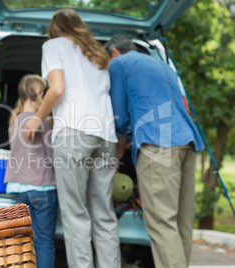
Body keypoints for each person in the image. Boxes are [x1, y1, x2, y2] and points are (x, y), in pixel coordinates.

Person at [24, 8, 121, 268]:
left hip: (74, 133)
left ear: (54, 28)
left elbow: (57, 89)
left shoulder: (54, 45)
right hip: (105, 136)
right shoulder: (98, 54)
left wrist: (38, 117)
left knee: (76, 213)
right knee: (104, 213)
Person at [104, 35, 204, 268]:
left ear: (114, 52)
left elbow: (119, 116)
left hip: (158, 145)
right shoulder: (161, 64)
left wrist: (118, 153)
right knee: (181, 224)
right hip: (187, 141)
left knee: (161, 223)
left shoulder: (118, 64)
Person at [4, 74, 58, 268]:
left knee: (26, 239)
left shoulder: (14, 120)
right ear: (42, 94)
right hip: (41, 187)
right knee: (44, 240)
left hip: (18, 188)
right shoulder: (42, 121)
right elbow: (52, 156)